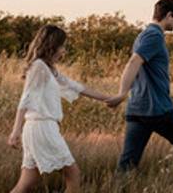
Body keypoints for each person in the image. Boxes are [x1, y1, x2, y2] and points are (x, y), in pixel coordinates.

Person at [7, 24, 112, 193]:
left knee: (26, 183)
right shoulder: (39, 67)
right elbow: (25, 99)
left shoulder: (49, 70)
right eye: (62, 46)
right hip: (42, 127)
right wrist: (15, 131)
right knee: (74, 175)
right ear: (52, 46)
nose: (64, 51)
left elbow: (76, 86)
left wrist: (109, 98)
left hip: (39, 128)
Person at [106, 0, 173, 171]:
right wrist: (122, 93)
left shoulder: (143, 35)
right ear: (169, 15)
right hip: (157, 108)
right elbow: (133, 62)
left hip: (138, 108)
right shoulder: (153, 35)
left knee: (128, 162)